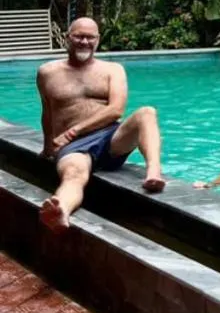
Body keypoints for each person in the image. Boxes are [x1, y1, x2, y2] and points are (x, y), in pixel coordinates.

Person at [37, 17, 165, 233]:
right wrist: (48, 146)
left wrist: (72, 131)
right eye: (78, 36)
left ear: (98, 40)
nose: (84, 41)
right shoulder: (47, 72)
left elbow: (116, 110)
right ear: (67, 38)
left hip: (110, 137)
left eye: (90, 37)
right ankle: (61, 210)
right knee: (74, 175)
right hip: (75, 147)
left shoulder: (113, 70)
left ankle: (153, 171)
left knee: (147, 113)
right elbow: (47, 112)